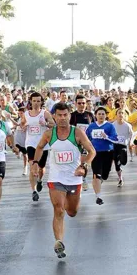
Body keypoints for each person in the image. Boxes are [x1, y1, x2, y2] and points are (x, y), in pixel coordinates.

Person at [32, 102, 96, 258]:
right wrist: (35, 163)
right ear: (54, 116)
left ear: (69, 115)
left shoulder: (77, 133)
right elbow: (39, 147)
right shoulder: (49, 134)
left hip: (74, 179)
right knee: (58, 210)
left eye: (65, 115)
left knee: (72, 212)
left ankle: (69, 203)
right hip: (56, 178)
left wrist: (84, 166)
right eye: (59, 115)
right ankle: (59, 242)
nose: (62, 118)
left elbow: (92, 151)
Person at [22, 92, 55, 202]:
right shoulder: (26, 114)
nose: (36, 103)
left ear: (41, 102)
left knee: (41, 168)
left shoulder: (45, 113)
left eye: (38, 101)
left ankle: (40, 180)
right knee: (32, 167)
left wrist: (45, 124)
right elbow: (22, 125)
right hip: (30, 143)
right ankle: (34, 190)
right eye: (34, 101)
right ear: (30, 101)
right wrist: (23, 126)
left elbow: (53, 124)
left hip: (43, 144)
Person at [86, 107, 118, 205]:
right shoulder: (91, 126)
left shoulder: (110, 126)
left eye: (103, 114)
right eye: (99, 114)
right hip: (95, 153)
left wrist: (107, 137)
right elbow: (86, 139)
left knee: (104, 175)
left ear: (106, 115)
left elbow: (115, 139)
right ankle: (98, 196)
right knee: (97, 174)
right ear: (95, 115)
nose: (101, 116)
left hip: (108, 152)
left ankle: (100, 180)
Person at [70, 94, 96, 190]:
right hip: (75, 143)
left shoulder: (90, 115)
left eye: (83, 103)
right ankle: (75, 182)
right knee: (75, 163)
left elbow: (94, 127)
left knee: (84, 162)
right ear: (75, 104)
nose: (82, 105)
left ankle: (83, 179)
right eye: (79, 103)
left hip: (87, 143)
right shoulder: (72, 116)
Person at [112, 108, 133, 187]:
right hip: (115, 145)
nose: (120, 114)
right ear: (116, 115)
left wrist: (131, 142)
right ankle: (120, 178)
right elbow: (109, 134)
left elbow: (132, 135)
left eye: (122, 113)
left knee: (123, 162)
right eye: (119, 113)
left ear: (124, 115)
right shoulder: (113, 125)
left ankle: (121, 162)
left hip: (123, 145)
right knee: (117, 165)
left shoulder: (128, 125)